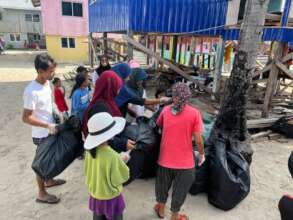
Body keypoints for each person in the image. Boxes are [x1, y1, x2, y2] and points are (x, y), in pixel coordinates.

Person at [154, 82, 205, 220]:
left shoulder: (165, 110)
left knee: (162, 186)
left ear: (174, 96)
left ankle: (161, 210)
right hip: (185, 163)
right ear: (187, 97)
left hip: (164, 159)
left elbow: (158, 126)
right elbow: (199, 140)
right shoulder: (195, 114)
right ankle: (175, 216)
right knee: (180, 190)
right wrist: (201, 154)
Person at [22, 54, 65, 204]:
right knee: (41, 163)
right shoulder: (31, 91)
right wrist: (47, 125)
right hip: (42, 133)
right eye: (51, 71)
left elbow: (50, 102)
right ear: (40, 71)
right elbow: (26, 117)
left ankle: (49, 180)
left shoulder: (47, 83)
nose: (53, 74)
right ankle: (41, 193)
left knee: (50, 159)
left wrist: (57, 112)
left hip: (51, 128)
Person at [84, 112, 129, 220]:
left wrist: (118, 159)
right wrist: (122, 161)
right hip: (111, 198)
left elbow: (91, 168)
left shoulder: (89, 151)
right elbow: (121, 177)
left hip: (96, 196)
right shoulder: (113, 156)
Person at [82, 71, 135, 153]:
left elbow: (115, 120)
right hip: (102, 154)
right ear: (110, 87)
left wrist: (130, 125)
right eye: (117, 87)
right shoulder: (100, 108)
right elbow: (101, 137)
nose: (119, 89)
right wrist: (123, 144)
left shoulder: (108, 101)